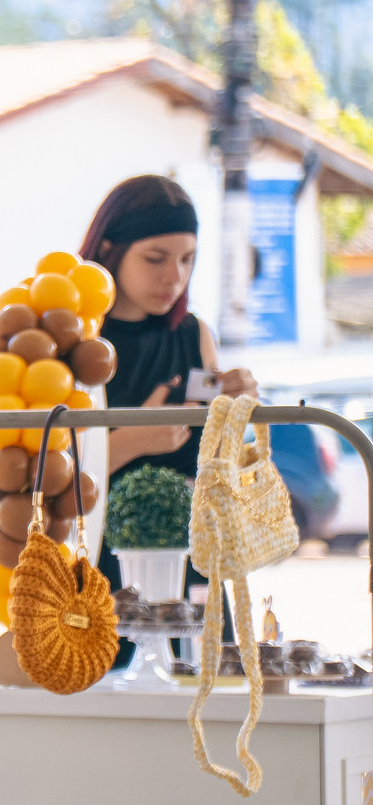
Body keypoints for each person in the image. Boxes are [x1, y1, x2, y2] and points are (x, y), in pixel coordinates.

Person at [85, 175, 257, 651]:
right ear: (108, 249)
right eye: (155, 259)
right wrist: (134, 439)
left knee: (198, 709)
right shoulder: (78, 344)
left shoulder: (194, 334)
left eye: (188, 260)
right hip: (99, 575)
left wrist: (238, 411)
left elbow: (219, 470)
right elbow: (52, 481)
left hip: (189, 572)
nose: (174, 277)